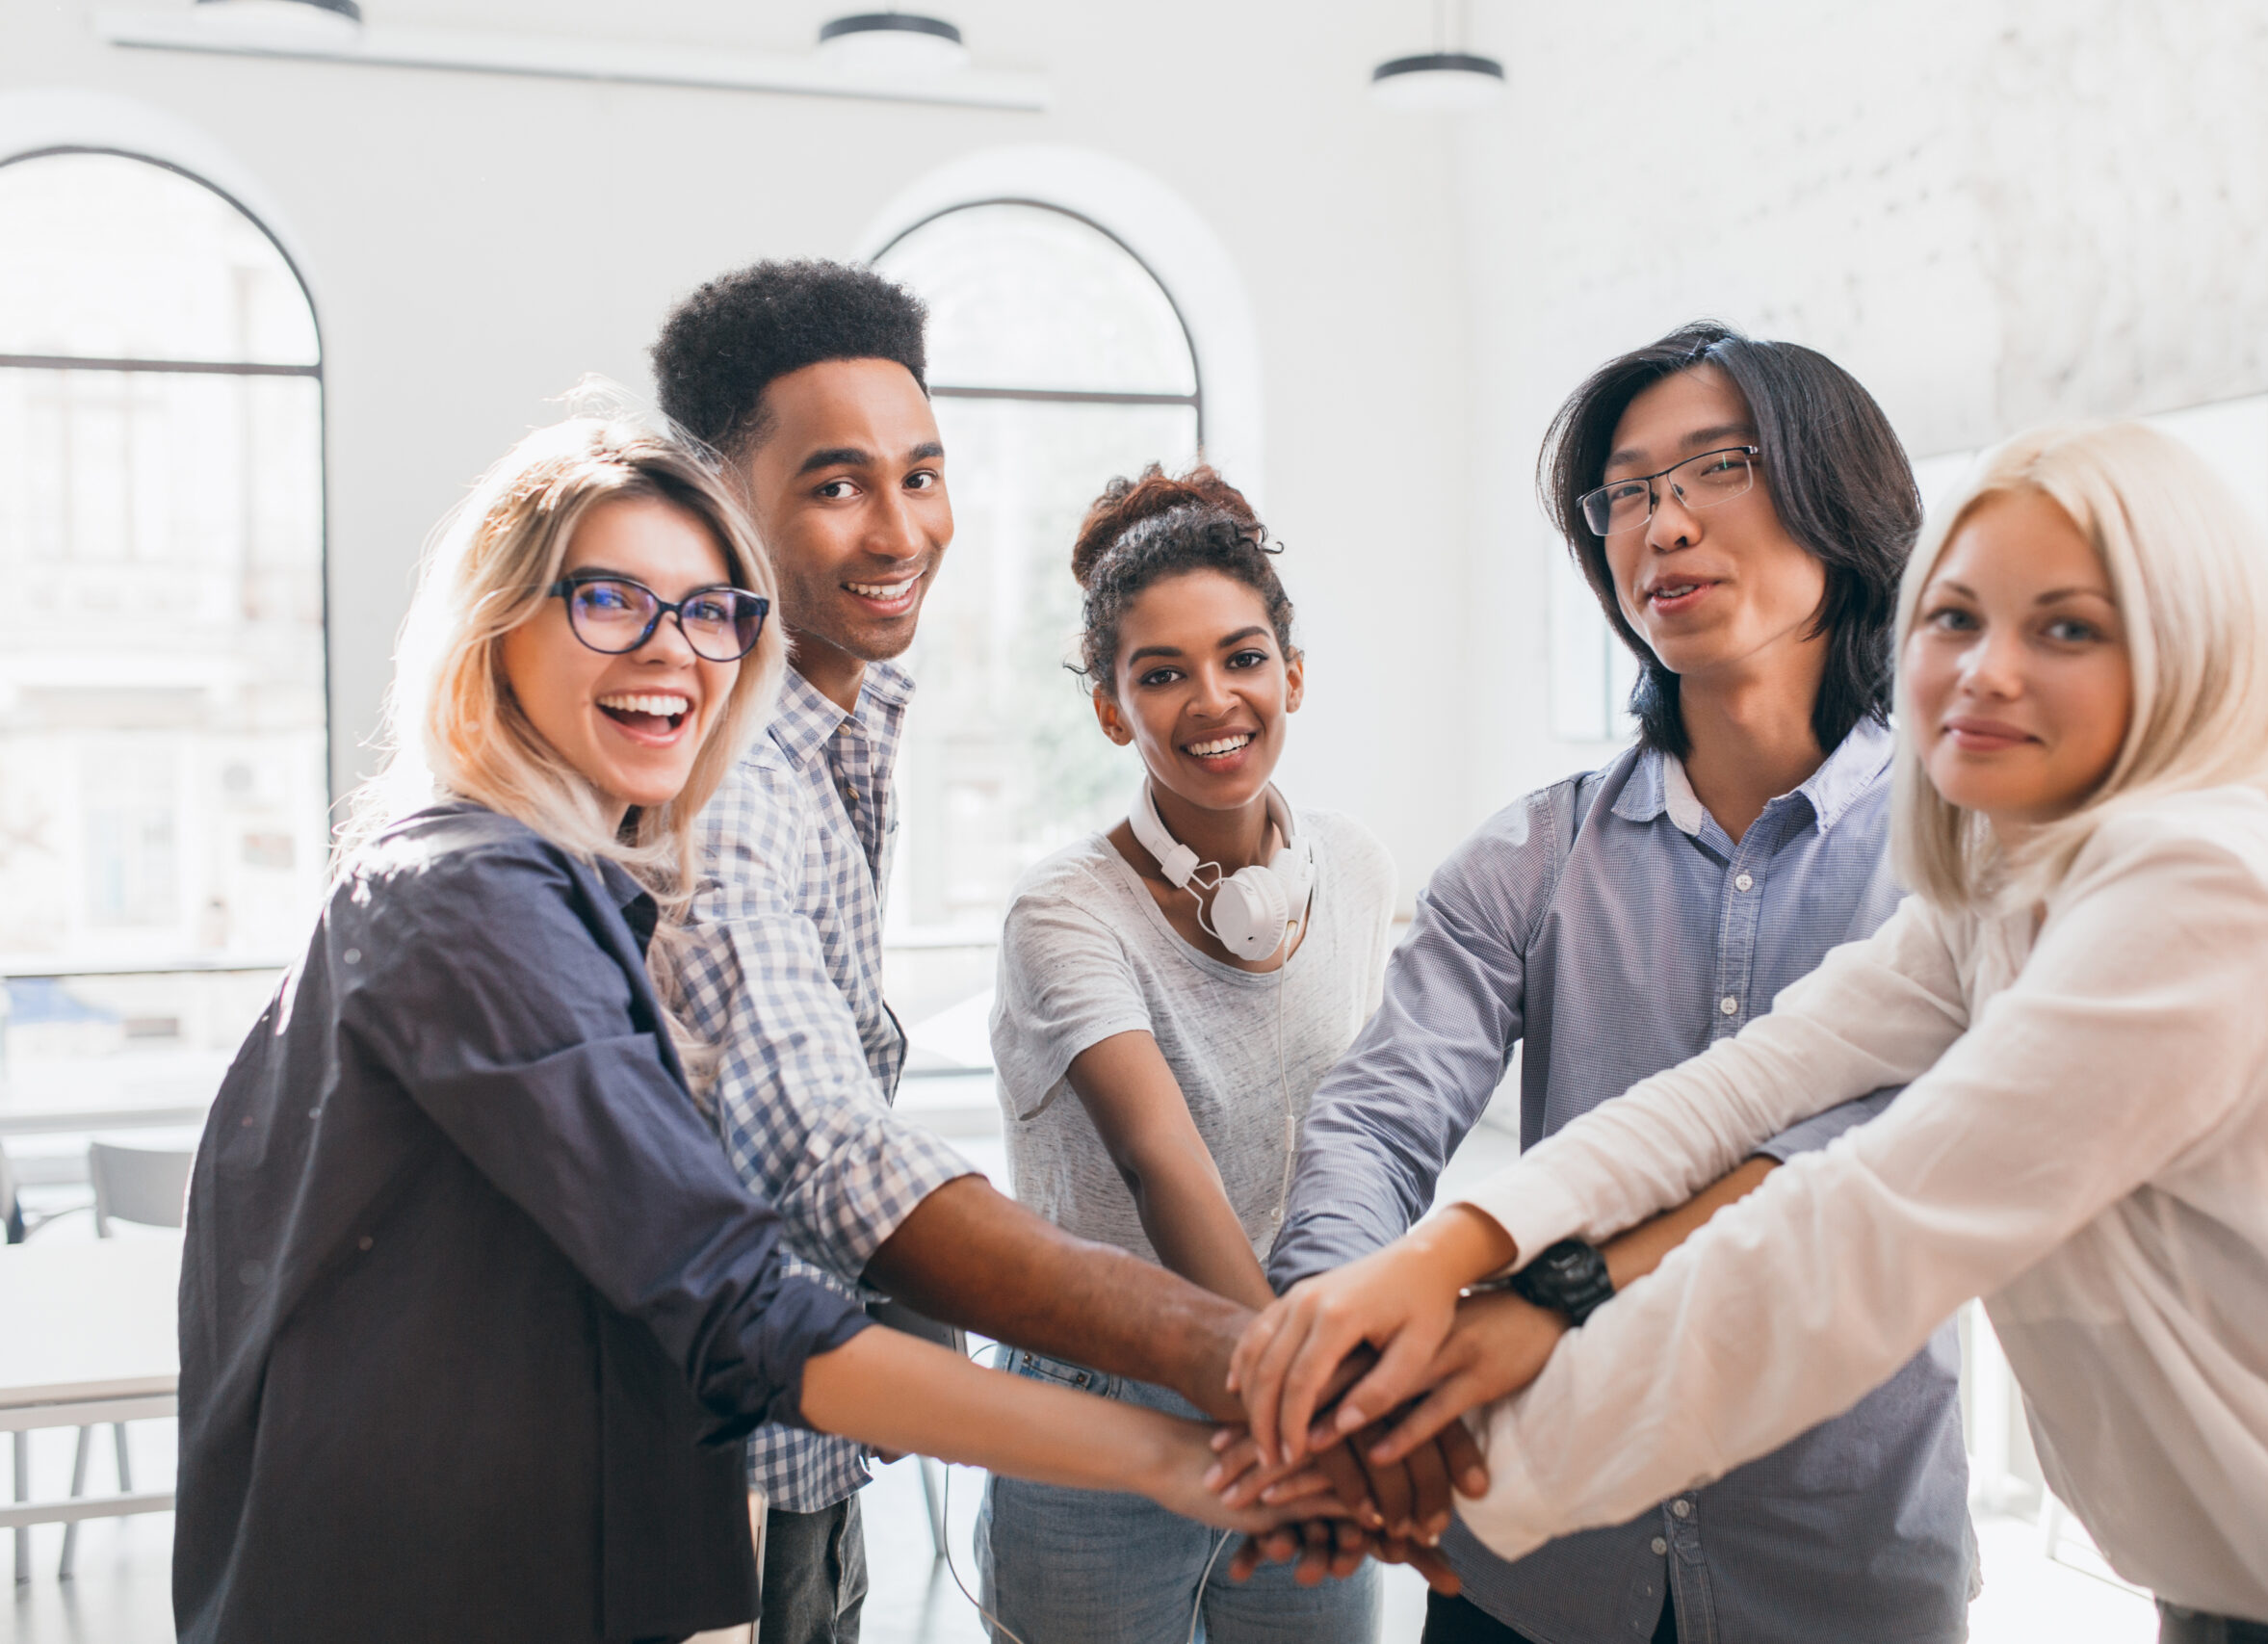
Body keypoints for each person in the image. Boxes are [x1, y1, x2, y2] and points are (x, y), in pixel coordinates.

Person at [1232, 423, 2268, 1644]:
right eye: (1957, 618)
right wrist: (1436, 1254)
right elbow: (1732, 1091)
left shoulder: (2205, 886)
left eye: (2068, 628)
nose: (1986, 670)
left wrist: (1430, 1464)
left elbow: (1849, 1234)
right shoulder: (2001, 896)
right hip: (2243, 1593)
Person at [174, 417, 1336, 1643]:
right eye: (611, 601)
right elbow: (738, 1302)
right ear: (495, 625)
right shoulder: (470, 900)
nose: (673, 652)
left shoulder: (545, 890)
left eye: (711, 611)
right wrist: (1182, 1454)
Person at [650, 261, 1468, 1640]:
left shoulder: (834, 738)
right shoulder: (736, 787)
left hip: (839, 1429)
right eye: (838, 482)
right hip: (771, 1443)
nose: (901, 525)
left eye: (923, 472)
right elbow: (828, 1146)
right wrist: (1262, 1370)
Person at [1253, 322, 1974, 1643]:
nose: (1664, 523)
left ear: (1842, 499)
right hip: (1535, 1557)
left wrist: (1551, 1300)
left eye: (1715, 468)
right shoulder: (1532, 854)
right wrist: (1349, 1346)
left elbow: (1870, 1161)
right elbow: (1377, 1114)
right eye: (1628, 493)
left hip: (1830, 1560)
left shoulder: (1962, 857)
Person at [976, 466, 1395, 1641]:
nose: (1212, 700)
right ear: (1112, 708)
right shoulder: (1063, 914)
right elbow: (1164, 1165)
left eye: (1243, 657)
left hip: (1292, 1378)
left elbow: (1352, 1138)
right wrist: (1297, 1415)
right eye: (1161, 674)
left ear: (1292, 675)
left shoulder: (1355, 872)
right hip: (1104, 1416)